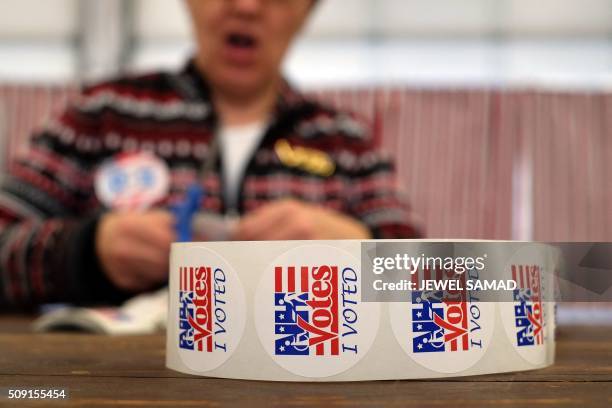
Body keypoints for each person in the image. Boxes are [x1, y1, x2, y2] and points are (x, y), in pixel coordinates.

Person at [0, 0, 420, 309]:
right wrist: (87, 252)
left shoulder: (345, 142)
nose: (246, 6)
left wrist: (358, 249)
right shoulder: (102, 113)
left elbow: (449, 284)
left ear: (307, 12)